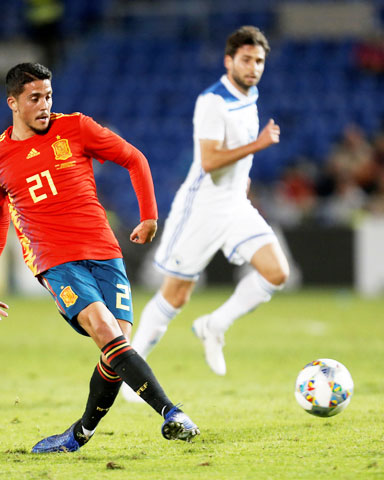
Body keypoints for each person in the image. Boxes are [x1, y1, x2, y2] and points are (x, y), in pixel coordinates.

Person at [0, 62, 199, 453]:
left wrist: (149, 215)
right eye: (34, 98)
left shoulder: (76, 127)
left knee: (116, 349)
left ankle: (79, 434)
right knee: (103, 327)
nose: (45, 104)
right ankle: (171, 412)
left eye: (48, 95)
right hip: (54, 259)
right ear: (13, 102)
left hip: (103, 250)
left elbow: (135, 158)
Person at [123, 26, 289, 396]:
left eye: (259, 61)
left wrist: (243, 180)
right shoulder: (212, 101)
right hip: (201, 209)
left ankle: (214, 325)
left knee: (277, 272)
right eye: (246, 59)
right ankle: (131, 379)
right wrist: (258, 145)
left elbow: (231, 159)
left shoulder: (251, 95)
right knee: (175, 295)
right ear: (229, 60)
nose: (254, 67)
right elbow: (211, 160)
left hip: (234, 205)